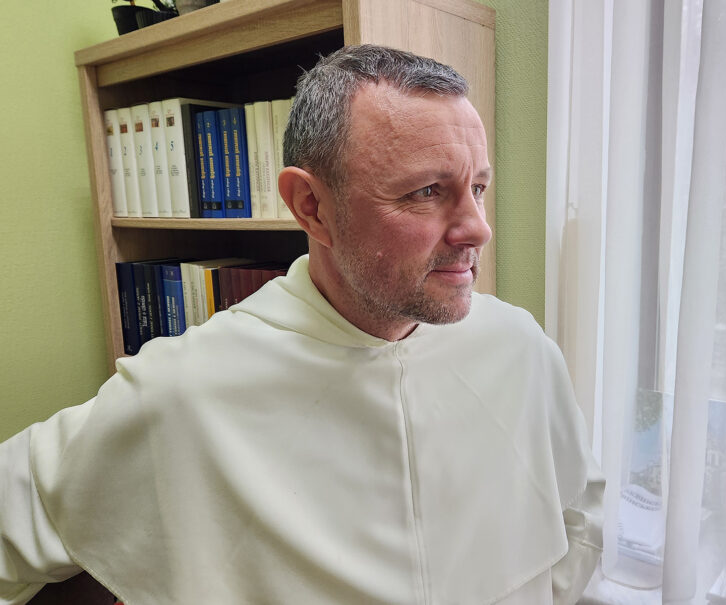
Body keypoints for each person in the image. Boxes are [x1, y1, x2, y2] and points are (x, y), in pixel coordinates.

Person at [0, 45, 603, 604]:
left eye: (477, 187)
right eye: (427, 191)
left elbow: (579, 515)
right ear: (311, 206)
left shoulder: (518, 345)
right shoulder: (185, 388)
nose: (477, 228)